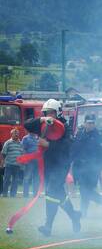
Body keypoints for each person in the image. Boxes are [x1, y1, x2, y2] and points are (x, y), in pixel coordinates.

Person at [24, 98, 81, 236]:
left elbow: (67, 146)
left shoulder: (65, 127)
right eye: (46, 112)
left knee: (50, 192)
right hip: (48, 164)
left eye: (51, 112)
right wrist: (42, 120)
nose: (49, 115)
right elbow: (27, 125)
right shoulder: (45, 124)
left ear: (58, 112)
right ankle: (74, 215)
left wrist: (49, 145)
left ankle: (48, 226)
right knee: (58, 194)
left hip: (61, 165)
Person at [72, 114, 102, 217]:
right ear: (85, 123)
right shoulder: (80, 134)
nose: (90, 125)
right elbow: (75, 150)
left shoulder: (98, 136)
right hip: (80, 167)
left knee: (86, 191)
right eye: (89, 123)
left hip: (93, 169)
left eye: (92, 123)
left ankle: (83, 211)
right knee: (84, 191)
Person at [1, 128, 23, 197]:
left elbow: (22, 153)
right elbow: (3, 153)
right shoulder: (7, 142)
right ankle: (4, 194)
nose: (16, 135)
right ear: (11, 134)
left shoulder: (21, 143)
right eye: (15, 133)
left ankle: (13, 194)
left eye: (17, 134)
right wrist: (2, 163)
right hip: (9, 164)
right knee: (6, 180)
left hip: (17, 165)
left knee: (15, 181)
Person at [21, 131, 39, 199]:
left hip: (37, 161)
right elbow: (23, 149)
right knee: (27, 177)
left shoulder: (37, 138)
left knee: (36, 179)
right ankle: (25, 194)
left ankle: (35, 195)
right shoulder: (25, 138)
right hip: (29, 161)